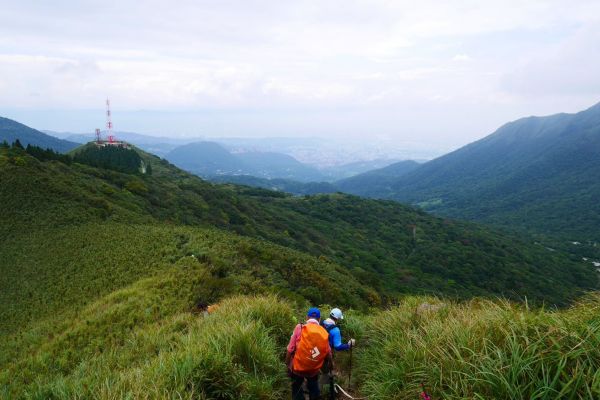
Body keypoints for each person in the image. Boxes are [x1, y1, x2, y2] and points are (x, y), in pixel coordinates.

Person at [286, 307, 334, 400]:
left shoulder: (299, 328)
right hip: (313, 369)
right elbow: (329, 353)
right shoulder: (323, 332)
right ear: (319, 319)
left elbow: (290, 349)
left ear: (307, 317)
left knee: (296, 388)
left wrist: (287, 365)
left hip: (297, 368)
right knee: (313, 388)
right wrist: (331, 365)